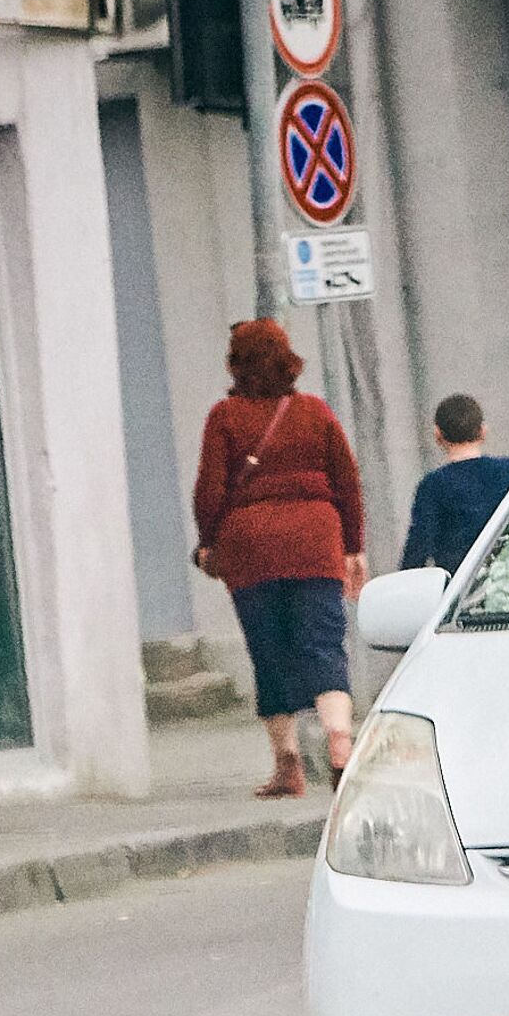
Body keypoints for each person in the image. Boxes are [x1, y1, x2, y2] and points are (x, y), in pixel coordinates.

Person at [193, 319, 364, 797]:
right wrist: (353, 546)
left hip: (252, 548)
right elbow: (347, 481)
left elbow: (210, 487)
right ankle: (340, 747)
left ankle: (287, 765)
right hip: (315, 540)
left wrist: (209, 540)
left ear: (236, 363)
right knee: (324, 644)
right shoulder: (316, 412)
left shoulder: (224, 416)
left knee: (269, 652)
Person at [400, 393, 509, 577]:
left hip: (462, 586)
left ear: (437, 434)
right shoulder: (508, 470)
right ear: (483, 431)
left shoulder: (433, 486)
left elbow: (418, 548)